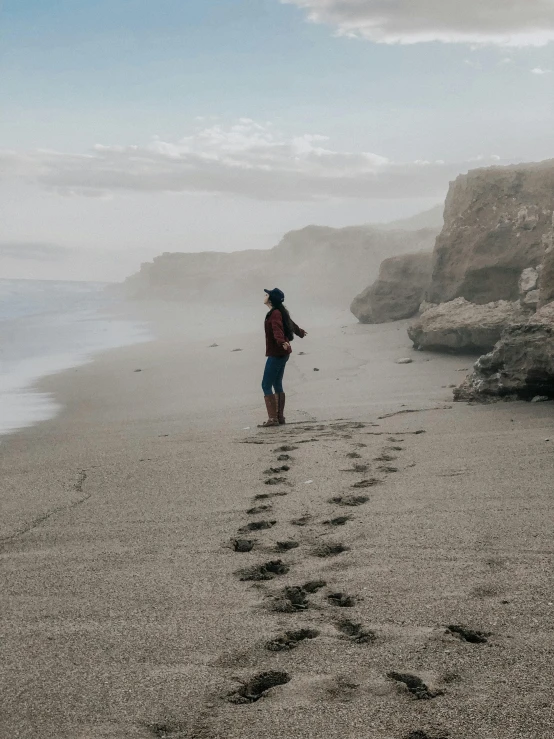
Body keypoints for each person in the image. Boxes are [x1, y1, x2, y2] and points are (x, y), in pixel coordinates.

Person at [259, 287, 307, 427]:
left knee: (265, 385)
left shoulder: (275, 314)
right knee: (276, 384)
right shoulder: (279, 311)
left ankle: (273, 419)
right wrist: (300, 332)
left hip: (277, 353)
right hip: (282, 353)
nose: (265, 295)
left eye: (267, 294)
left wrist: (281, 342)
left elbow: (277, 328)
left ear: (271, 299)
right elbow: (290, 323)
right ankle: (279, 417)